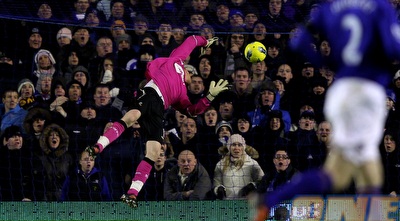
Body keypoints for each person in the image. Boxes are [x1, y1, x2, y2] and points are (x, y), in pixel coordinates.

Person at [255, 0, 400, 220]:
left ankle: (269, 200)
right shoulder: (381, 7)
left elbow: (299, 41)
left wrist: (327, 63)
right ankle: (269, 201)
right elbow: (392, 47)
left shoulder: (328, 9)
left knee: (368, 172)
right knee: (341, 175)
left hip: (340, 91)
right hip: (366, 93)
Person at [86, 35, 227, 207]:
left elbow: (192, 111)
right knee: (131, 117)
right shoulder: (177, 59)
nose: (191, 74)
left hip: (159, 110)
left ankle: (132, 194)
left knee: (153, 151)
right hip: (151, 94)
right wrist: (207, 41)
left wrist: (210, 96)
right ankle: (98, 146)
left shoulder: (181, 96)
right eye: (191, 71)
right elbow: (192, 41)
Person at [213, 134, 264, 200]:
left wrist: (253, 186)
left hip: (247, 204)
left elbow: (262, 181)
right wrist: (218, 189)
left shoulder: (252, 163)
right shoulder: (220, 164)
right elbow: (216, 183)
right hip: (228, 204)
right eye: (233, 145)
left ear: (243, 147)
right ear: (229, 147)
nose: (236, 148)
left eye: (239, 145)